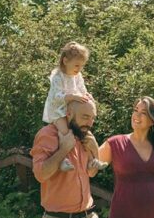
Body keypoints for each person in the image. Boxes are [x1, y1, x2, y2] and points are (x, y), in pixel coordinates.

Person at [42, 41, 106, 173]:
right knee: (65, 132)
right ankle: (63, 160)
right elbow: (56, 97)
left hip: (72, 109)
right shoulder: (57, 76)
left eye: (82, 66)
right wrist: (72, 96)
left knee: (85, 134)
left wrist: (88, 97)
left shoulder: (77, 75)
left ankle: (94, 160)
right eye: (77, 65)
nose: (79, 69)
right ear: (65, 61)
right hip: (58, 110)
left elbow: (83, 90)